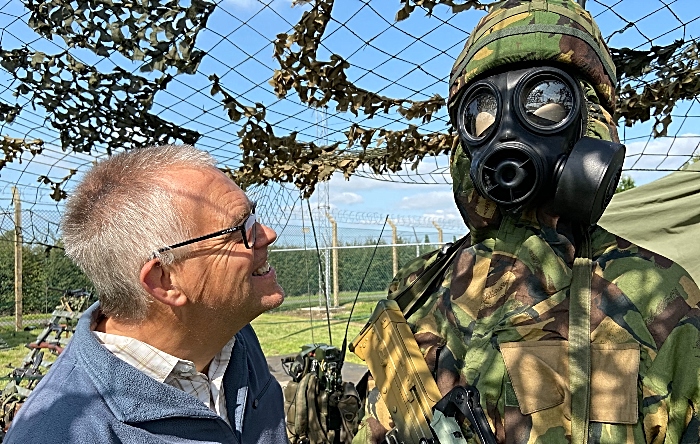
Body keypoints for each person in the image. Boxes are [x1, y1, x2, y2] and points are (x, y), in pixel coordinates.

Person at [353, 0, 700, 442]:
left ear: (591, 123)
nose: (507, 127)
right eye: (482, 106)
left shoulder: (657, 299)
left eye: (545, 100)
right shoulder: (419, 287)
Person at [5, 144, 289, 443]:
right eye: (237, 229)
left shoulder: (230, 335)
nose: (268, 234)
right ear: (164, 280)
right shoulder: (62, 434)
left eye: (253, 216)